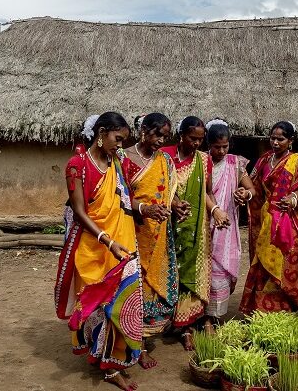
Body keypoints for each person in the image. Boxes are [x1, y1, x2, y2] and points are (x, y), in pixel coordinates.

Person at [54, 112, 143, 391]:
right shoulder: (77, 165)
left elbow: (132, 197)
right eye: (117, 139)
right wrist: (107, 241)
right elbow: (80, 212)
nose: (120, 145)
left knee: (120, 305)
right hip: (94, 248)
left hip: (124, 244)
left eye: (124, 141)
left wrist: (149, 208)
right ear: (102, 132)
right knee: (100, 307)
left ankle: (113, 359)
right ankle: (106, 366)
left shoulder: (118, 162)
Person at [160, 116, 229, 349]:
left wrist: (217, 210)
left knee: (191, 274)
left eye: (201, 140)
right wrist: (174, 202)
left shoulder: (204, 160)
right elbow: (159, 190)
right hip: (167, 227)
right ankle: (168, 322)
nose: (197, 144)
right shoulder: (165, 156)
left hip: (196, 230)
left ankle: (186, 326)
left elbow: (207, 193)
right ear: (181, 136)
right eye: (193, 139)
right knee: (170, 274)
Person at [239, 121, 298, 314]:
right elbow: (255, 189)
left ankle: (284, 309)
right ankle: (263, 309)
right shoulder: (264, 160)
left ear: (290, 140)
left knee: (287, 264)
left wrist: (294, 198)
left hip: (292, 222)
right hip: (268, 219)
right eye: (272, 138)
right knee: (263, 263)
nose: (275, 142)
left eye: (280, 139)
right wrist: (245, 194)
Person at [124, 113, 178, 368]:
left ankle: (143, 340)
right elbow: (118, 198)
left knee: (152, 291)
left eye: (165, 136)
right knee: (134, 289)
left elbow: (169, 194)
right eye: (157, 134)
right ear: (143, 130)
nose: (160, 140)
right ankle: (136, 346)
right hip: (132, 235)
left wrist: (178, 205)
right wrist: (144, 209)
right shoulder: (123, 158)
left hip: (160, 236)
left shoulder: (165, 160)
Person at [204, 119, 256, 323]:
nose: (222, 151)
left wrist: (245, 195)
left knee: (219, 272)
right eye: (217, 147)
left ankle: (214, 316)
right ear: (208, 145)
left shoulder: (235, 164)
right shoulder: (201, 162)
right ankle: (201, 317)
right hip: (204, 223)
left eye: (225, 147)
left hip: (227, 227)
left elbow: (251, 189)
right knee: (204, 269)